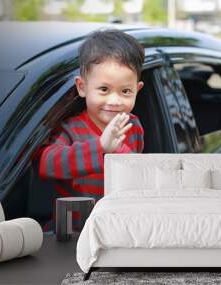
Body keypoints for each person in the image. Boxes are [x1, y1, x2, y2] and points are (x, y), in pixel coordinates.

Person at [38, 29, 145, 231]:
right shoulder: (70, 129)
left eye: (125, 91)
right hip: (74, 232)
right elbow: (46, 163)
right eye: (104, 89)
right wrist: (101, 147)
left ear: (137, 90)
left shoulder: (134, 126)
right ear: (82, 87)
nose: (114, 100)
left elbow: (135, 176)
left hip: (119, 229)